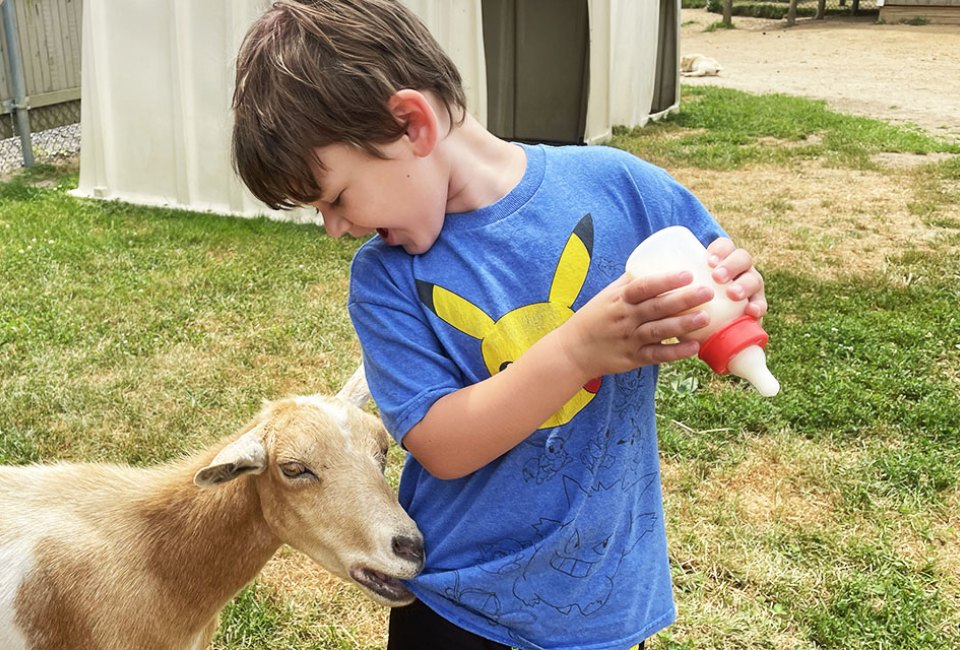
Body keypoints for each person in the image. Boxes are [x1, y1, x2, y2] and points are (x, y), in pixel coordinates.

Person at [231, 2, 768, 649]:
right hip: (460, 612)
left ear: (412, 123)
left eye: (337, 197)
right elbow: (442, 444)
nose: (335, 227)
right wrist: (576, 351)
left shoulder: (622, 186)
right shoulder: (385, 281)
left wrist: (737, 289)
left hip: (602, 604)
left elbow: (714, 281)